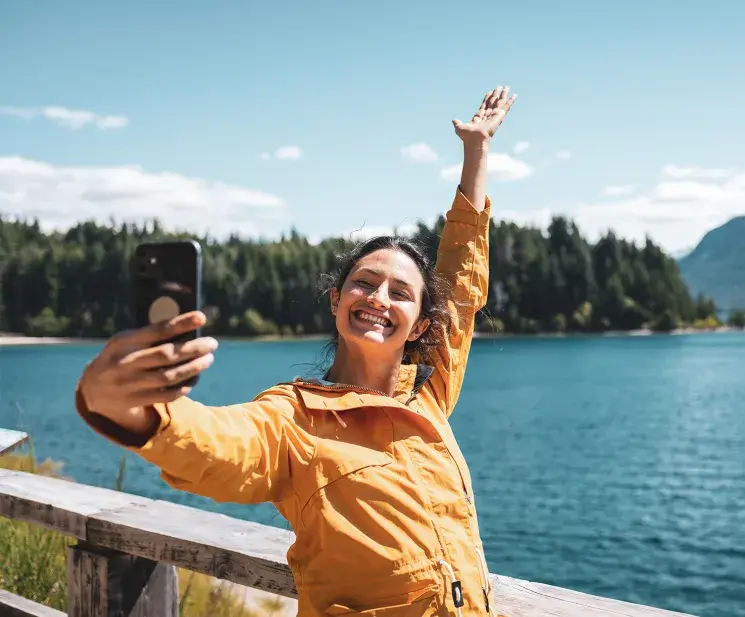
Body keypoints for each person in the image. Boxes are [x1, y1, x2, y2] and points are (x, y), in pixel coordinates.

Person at [75, 86, 517, 617]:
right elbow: (224, 446)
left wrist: (477, 154)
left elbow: (462, 286)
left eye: (400, 293)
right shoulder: (296, 417)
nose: (378, 299)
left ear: (421, 324)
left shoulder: (428, 394)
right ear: (336, 301)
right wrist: (137, 410)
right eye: (364, 283)